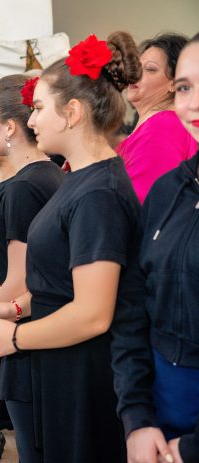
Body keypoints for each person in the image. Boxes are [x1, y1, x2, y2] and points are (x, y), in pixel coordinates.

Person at [0, 32, 142, 462]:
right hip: (62, 361)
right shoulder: (77, 179)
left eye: (39, 108)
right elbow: (60, 284)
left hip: (85, 372)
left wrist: (16, 336)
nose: (31, 120)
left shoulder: (98, 194)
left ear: (72, 113)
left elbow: (93, 313)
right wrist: (12, 309)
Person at [0, 75, 64, 463]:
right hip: (27, 318)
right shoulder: (40, 176)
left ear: (9, 128)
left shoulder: (24, 187)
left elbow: (22, 277)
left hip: (25, 329)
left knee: (33, 445)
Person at [111, 32, 199, 463]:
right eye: (184, 87)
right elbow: (134, 304)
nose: (193, 103)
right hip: (161, 417)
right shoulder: (169, 191)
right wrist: (137, 418)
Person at [117, 33, 197, 203]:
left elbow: (145, 202)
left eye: (150, 69)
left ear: (174, 83)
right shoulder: (157, 124)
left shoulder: (163, 125)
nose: (135, 74)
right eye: (137, 66)